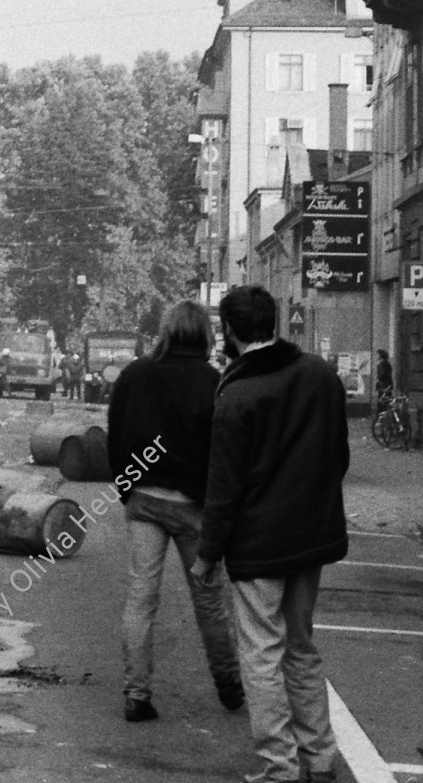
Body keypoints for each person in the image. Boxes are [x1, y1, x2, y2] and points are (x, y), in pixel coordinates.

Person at [194, 285, 349, 783]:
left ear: (230, 332)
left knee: (261, 654)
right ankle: (320, 758)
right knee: (301, 645)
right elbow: (338, 456)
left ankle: (279, 767)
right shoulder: (321, 376)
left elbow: (224, 487)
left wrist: (207, 555)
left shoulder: (236, 393)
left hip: (257, 544)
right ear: (275, 323)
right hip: (310, 537)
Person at [106, 301, 241, 724]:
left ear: (166, 330)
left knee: (141, 598)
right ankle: (229, 686)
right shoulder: (213, 382)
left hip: (144, 499)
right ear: (204, 334)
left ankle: (137, 694)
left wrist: (126, 486)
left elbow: (115, 433)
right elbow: (221, 451)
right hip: (192, 507)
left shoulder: (135, 374)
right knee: (208, 600)